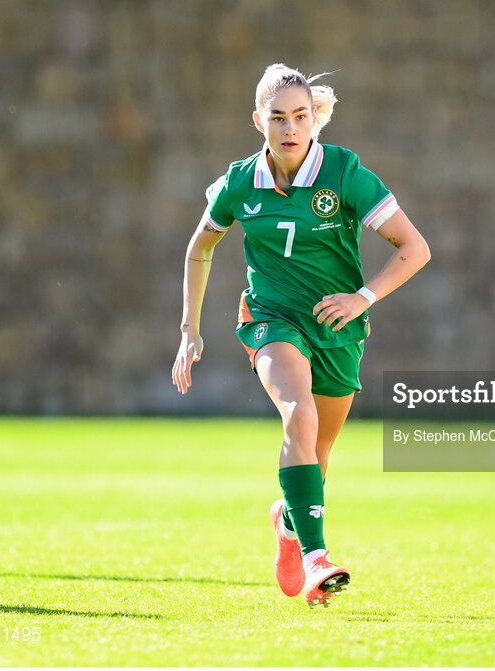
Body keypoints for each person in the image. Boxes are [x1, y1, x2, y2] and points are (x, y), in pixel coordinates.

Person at [171, 64, 430, 608]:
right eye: (278, 117)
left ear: (315, 119)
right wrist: (189, 330)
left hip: (339, 327)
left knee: (321, 447)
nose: (290, 128)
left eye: (301, 116)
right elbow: (200, 246)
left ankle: (289, 525)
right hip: (270, 317)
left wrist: (363, 297)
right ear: (257, 121)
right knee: (299, 415)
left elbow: (414, 248)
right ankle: (317, 559)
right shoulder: (239, 182)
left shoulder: (345, 173)